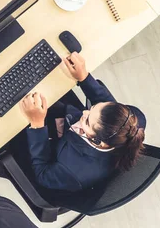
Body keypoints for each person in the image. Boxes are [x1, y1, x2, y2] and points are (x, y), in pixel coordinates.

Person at [14, 51, 147, 196]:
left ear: (98, 141)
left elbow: (43, 174)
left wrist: (37, 124)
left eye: (88, 121)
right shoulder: (134, 120)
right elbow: (106, 106)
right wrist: (84, 77)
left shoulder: (73, 172)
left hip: (46, 149)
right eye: (92, 109)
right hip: (65, 122)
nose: (84, 112)